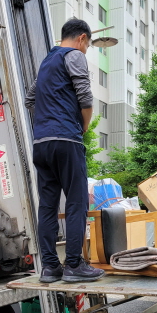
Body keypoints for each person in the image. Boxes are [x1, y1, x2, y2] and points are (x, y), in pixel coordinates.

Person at [25, 18, 105, 283]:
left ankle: (50, 268)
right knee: (76, 201)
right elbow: (85, 96)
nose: (85, 51)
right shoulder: (74, 56)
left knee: (47, 206)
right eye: (87, 46)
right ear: (82, 38)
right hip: (66, 140)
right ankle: (73, 265)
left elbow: (29, 99)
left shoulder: (46, 62)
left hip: (41, 143)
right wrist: (83, 126)